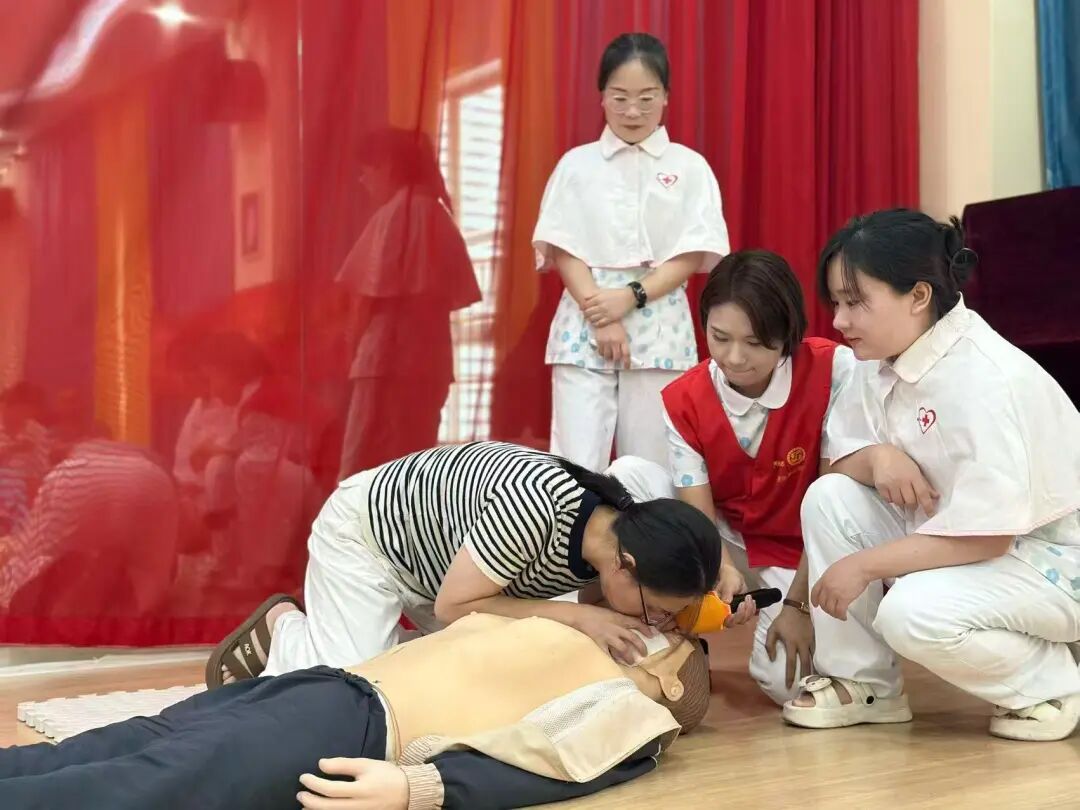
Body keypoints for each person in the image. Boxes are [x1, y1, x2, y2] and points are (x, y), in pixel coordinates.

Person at [782, 209, 1080, 742]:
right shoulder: (879, 356)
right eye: (836, 303)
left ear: (918, 296)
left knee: (909, 612)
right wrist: (878, 457)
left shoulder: (985, 378)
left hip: (1050, 562)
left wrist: (863, 566)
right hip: (967, 541)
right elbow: (836, 462)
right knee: (829, 498)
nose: (839, 321)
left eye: (855, 302)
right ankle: (864, 684)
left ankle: (1050, 684)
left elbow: (990, 535)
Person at [0, 612, 711, 810]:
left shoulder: (637, 713)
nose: (650, 632)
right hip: (323, 689)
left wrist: (420, 788)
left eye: (664, 640)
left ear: (673, 681)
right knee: (118, 747)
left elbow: (552, 768)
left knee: (149, 780)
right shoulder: (572, 636)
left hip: (356, 726)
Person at [208, 440, 748, 687]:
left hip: (448, 567)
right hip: (369, 539)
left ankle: (376, 641)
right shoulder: (535, 508)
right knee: (349, 683)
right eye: (656, 609)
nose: (657, 621)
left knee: (479, 669)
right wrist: (581, 615)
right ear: (624, 566)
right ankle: (284, 630)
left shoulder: (620, 527)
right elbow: (453, 606)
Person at [609, 250, 855, 704]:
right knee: (626, 477)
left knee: (786, 685)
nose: (734, 358)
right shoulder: (683, 398)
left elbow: (833, 498)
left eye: (755, 343)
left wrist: (798, 605)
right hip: (727, 539)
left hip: (802, 551)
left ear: (788, 333)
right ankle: (667, 634)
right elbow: (696, 507)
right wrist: (720, 569)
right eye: (719, 338)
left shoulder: (834, 370)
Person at [533, 32, 729, 473]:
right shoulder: (576, 165)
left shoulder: (689, 167)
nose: (633, 111)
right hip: (584, 323)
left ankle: (645, 525)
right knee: (574, 465)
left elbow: (691, 252)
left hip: (660, 324)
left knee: (652, 465)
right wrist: (602, 316)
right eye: (620, 97)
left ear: (666, 96)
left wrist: (630, 296)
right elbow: (565, 246)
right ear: (602, 96)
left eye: (647, 97)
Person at [336, 127, 481, 479]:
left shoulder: (394, 216)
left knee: (365, 463)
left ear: (386, 166)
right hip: (430, 362)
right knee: (415, 463)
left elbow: (367, 297)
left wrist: (350, 347)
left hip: (385, 361)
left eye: (366, 171)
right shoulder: (439, 217)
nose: (363, 181)